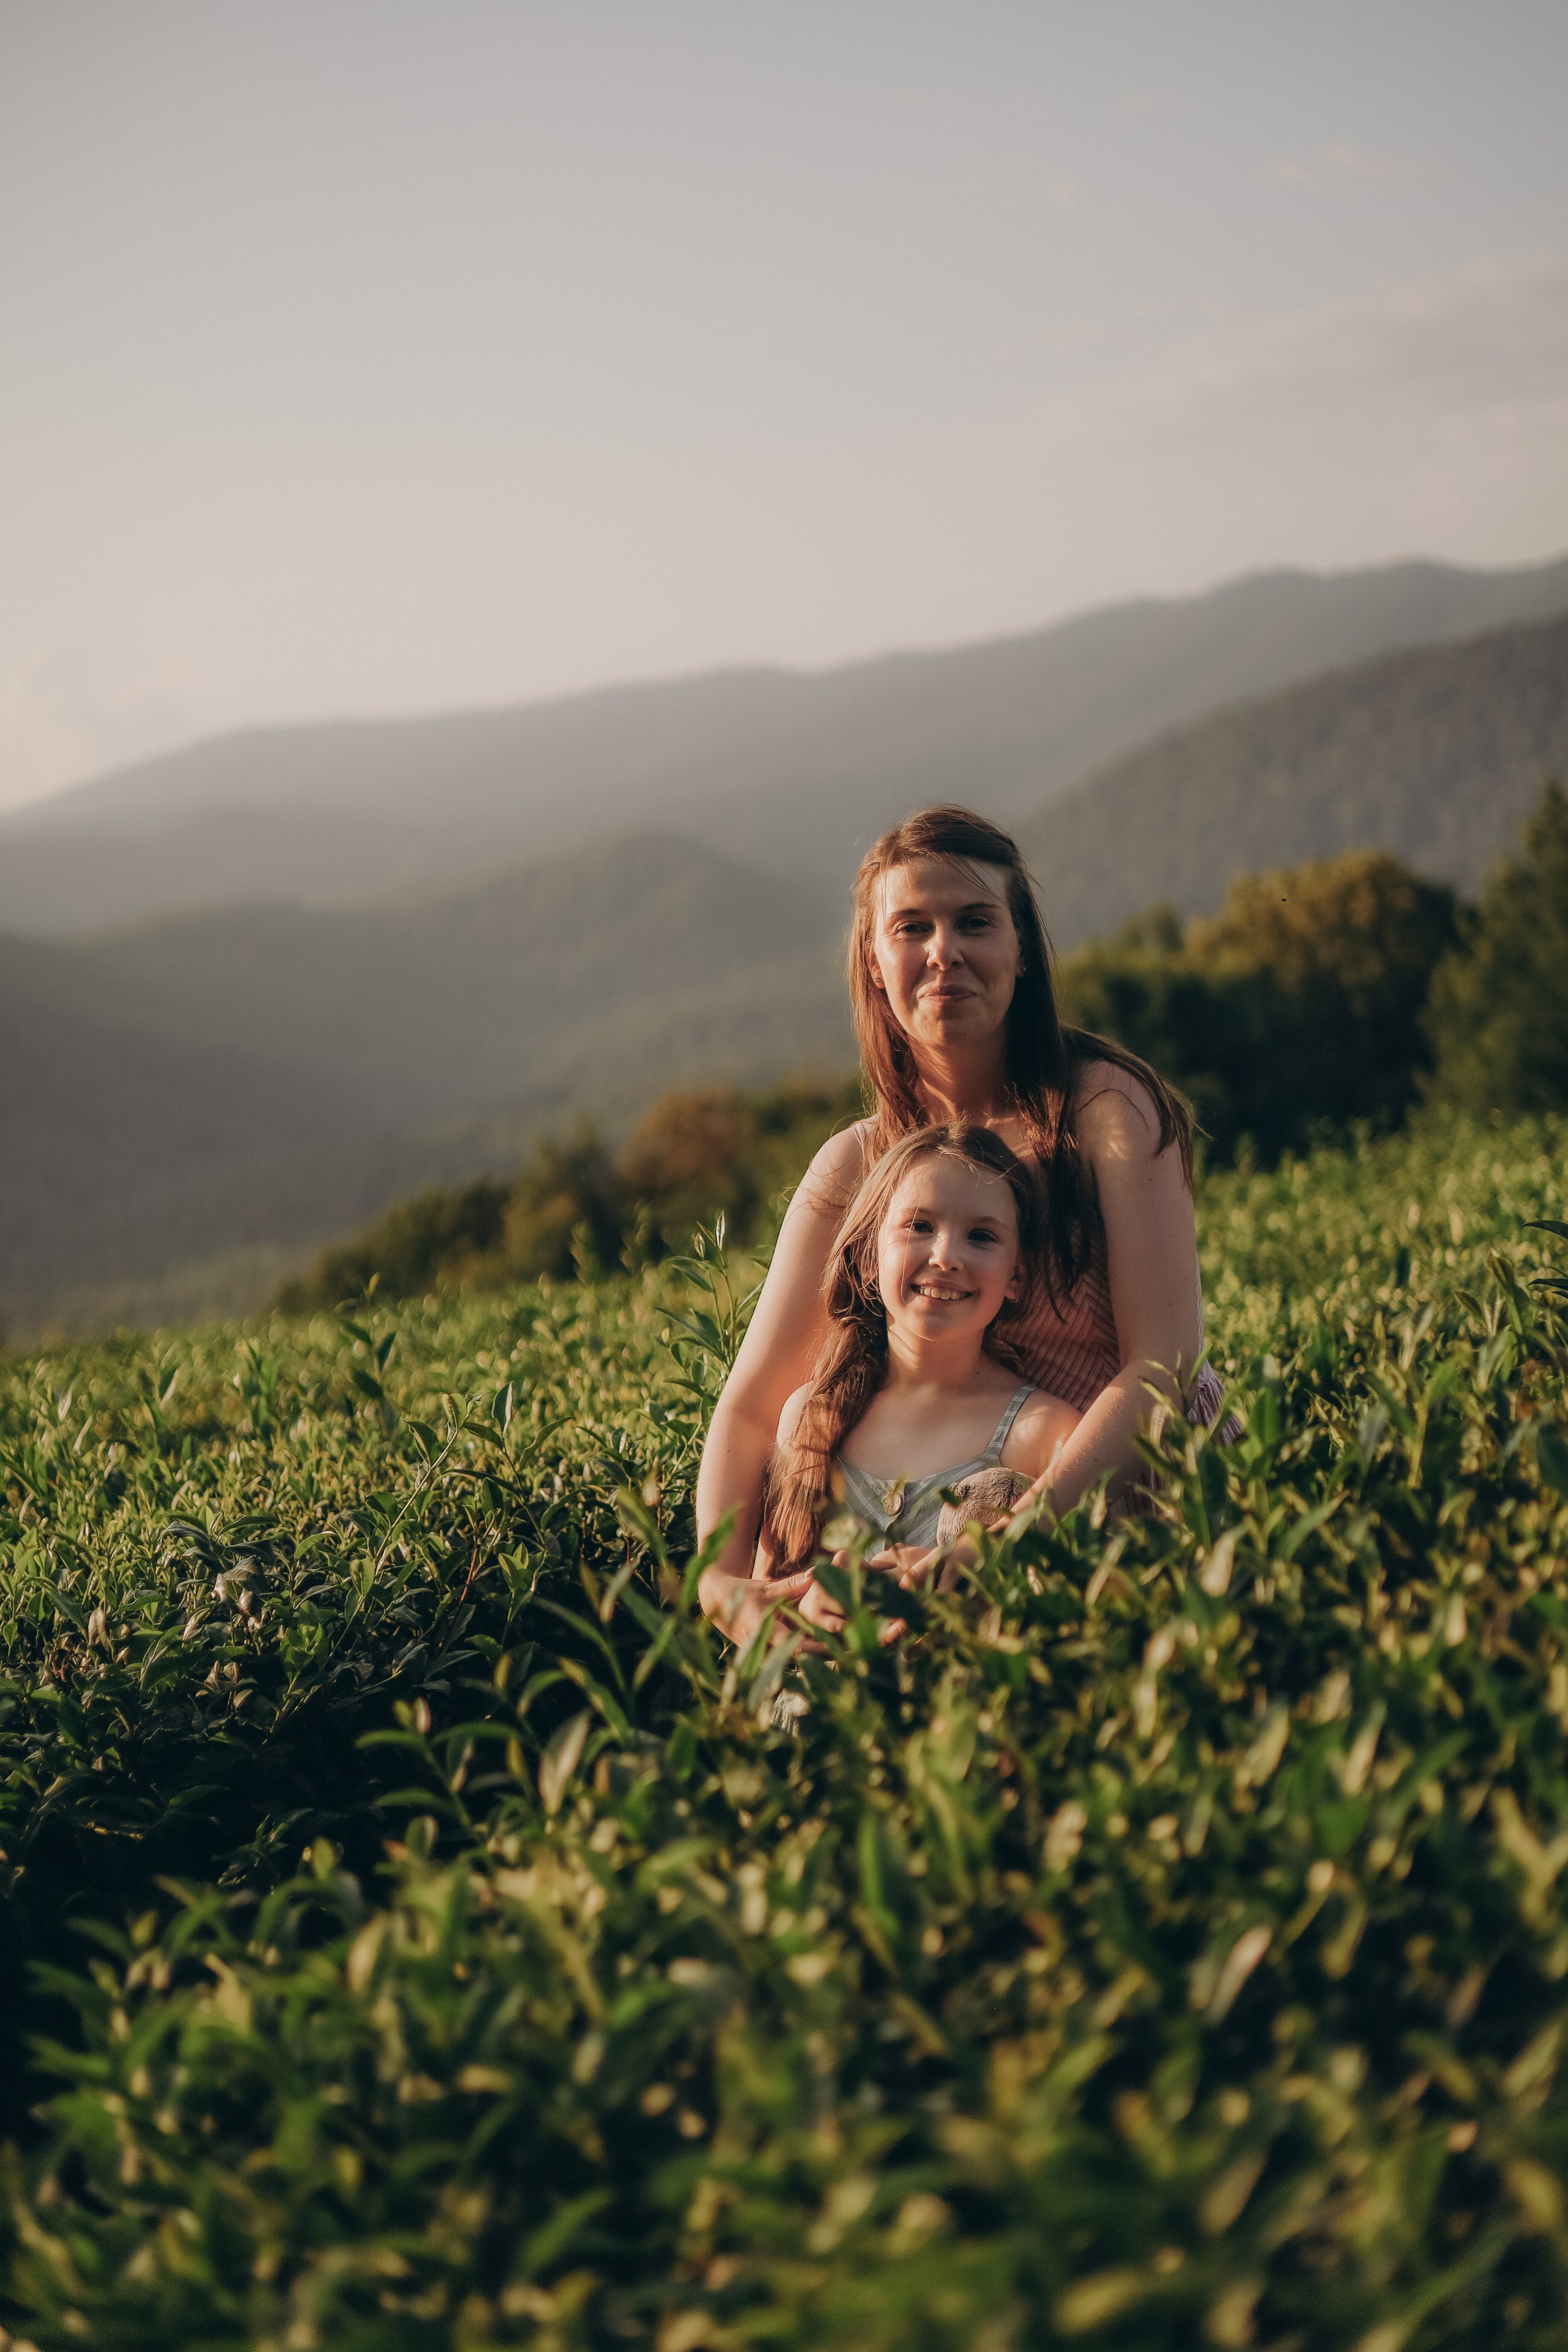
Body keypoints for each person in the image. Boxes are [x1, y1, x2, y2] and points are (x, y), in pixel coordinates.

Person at [697, 803, 1217, 1647]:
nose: (945, 951)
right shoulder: (854, 1166)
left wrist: (1019, 1544)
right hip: (913, 1539)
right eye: (912, 927)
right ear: (874, 961)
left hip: (1111, 1509)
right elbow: (753, 1407)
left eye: (975, 921)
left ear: (1020, 947)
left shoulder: (1104, 1110)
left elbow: (1165, 1363)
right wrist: (722, 1587)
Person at [755, 1124, 1080, 1642]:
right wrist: (808, 1616)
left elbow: (1077, 1613)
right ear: (867, 1257)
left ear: (1017, 1275)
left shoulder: (1045, 1433)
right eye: (919, 1226)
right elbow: (768, 1602)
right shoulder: (810, 1418)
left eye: (981, 1236)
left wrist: (972, 1586)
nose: (946, 1256)